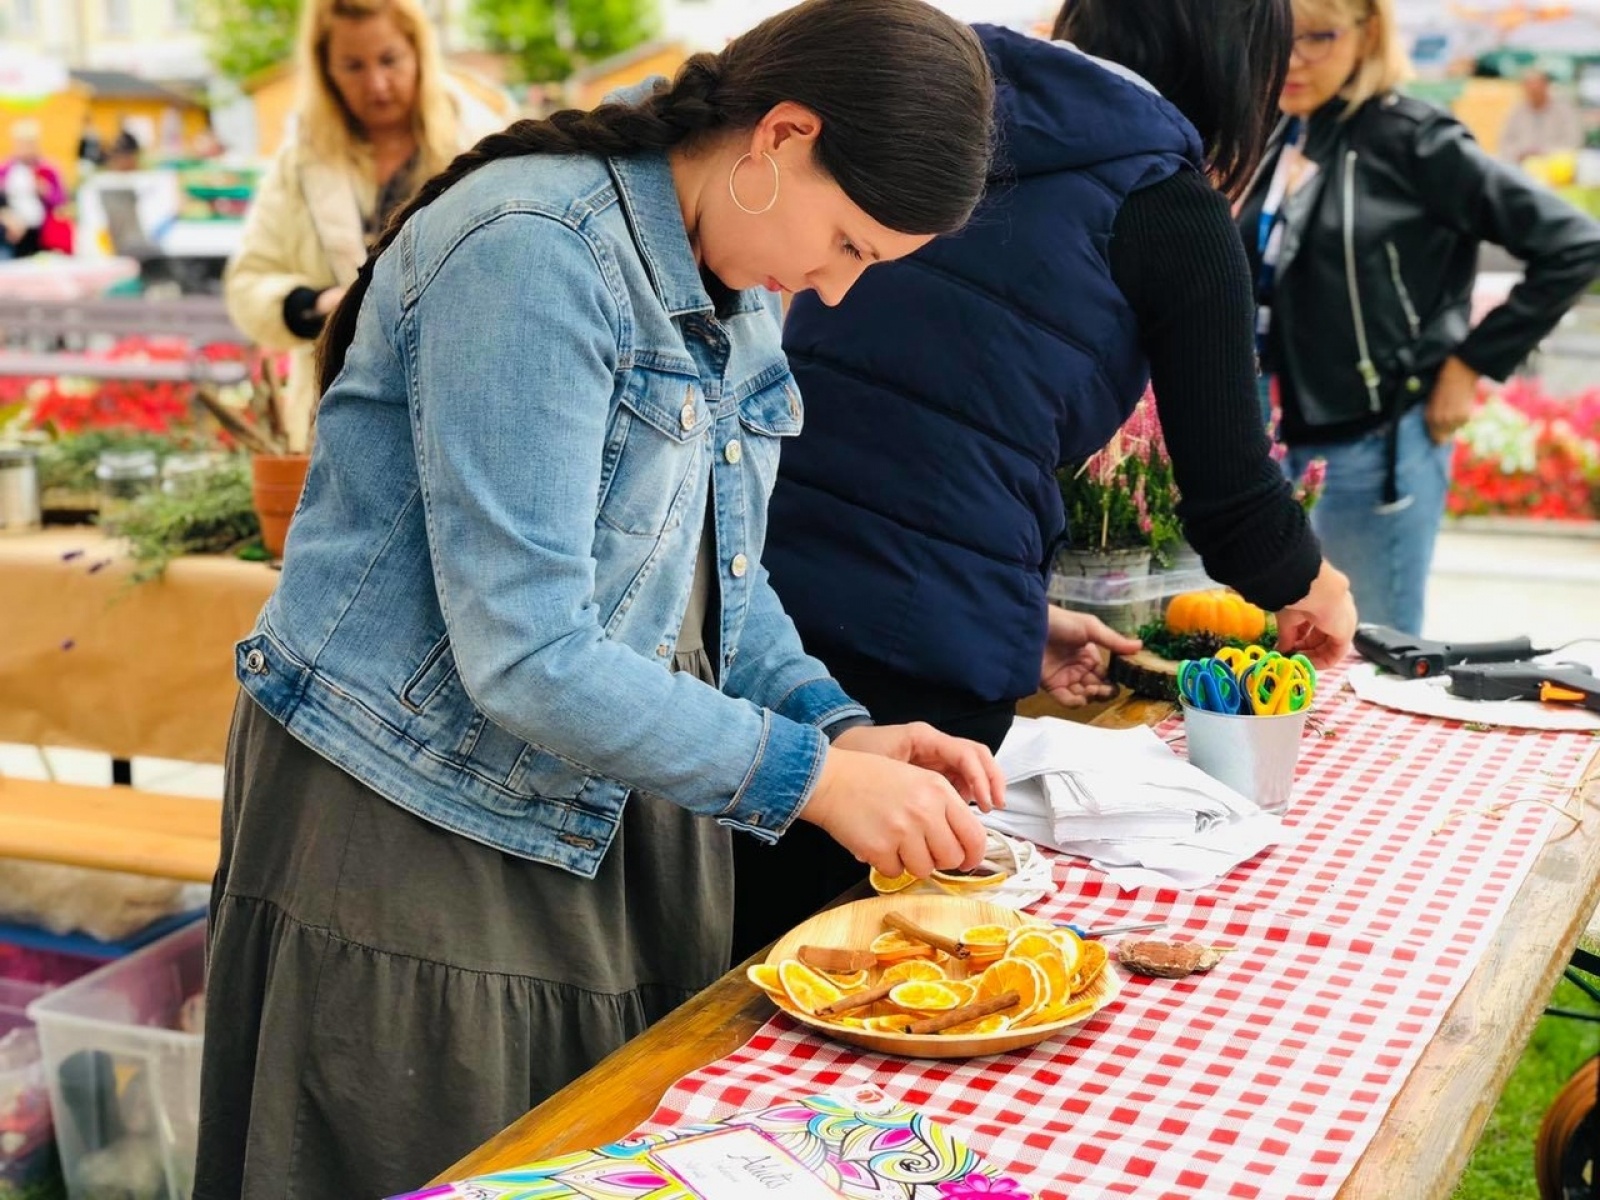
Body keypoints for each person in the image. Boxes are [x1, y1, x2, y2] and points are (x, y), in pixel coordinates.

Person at [194, 2, 999, 1195]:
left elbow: (714, 576)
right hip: (418, 836)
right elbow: (525, 654)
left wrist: (840, 729)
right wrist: (814, 782)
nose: (831, 289)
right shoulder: (534, 250)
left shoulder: (730, 273)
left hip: (608, 816)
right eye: (849, 246)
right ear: (780, 138)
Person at [730, 0, 1359, 961]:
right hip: (921, 650)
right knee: (880, 959)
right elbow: (1234, 502)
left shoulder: (928, 112)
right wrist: (1315, 587)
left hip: (746, 592)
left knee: (734, 948)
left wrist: (1026, 620)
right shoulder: (1165, 202)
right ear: (1242, 67)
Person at [1238, 0, 1600, 635]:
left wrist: (1470, 363)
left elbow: (1574, 244)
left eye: (1317, 37)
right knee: (1279, 651)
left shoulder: (1413, 139)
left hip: (1374, 443)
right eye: (1276, 38)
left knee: (1371, 650)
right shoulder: (1276, 133)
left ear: (1367, 32)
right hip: (1273, 440)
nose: (1292, 59)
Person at [224, 0, 509, 452]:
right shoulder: (301, 161)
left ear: (419, 52)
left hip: (460, 410)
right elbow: (249, 282)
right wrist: (314, 304)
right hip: (336, 417)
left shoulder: (485, 144)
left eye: (390, 60)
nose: (376, 84)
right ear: (325, 70)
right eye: (353, 66)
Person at [0, 121, 66, 260]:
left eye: (29, 144)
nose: (25, 148)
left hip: (41, 232)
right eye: (21, 143)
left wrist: (45, 192)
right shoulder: (6, 169)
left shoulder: (47, 169)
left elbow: (61, 201)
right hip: (12, 232)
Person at [1497, 66, 1585, 167]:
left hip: (1556, 168)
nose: (1533, 90)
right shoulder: (1516, 112)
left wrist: (1545, 153)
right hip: (1522, 167)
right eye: (1529, 85)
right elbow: (1505, 143)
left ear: (1545, 85)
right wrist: (1520, 153)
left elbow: (1574, 141)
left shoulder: (1565, 110)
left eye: (1536, 85)